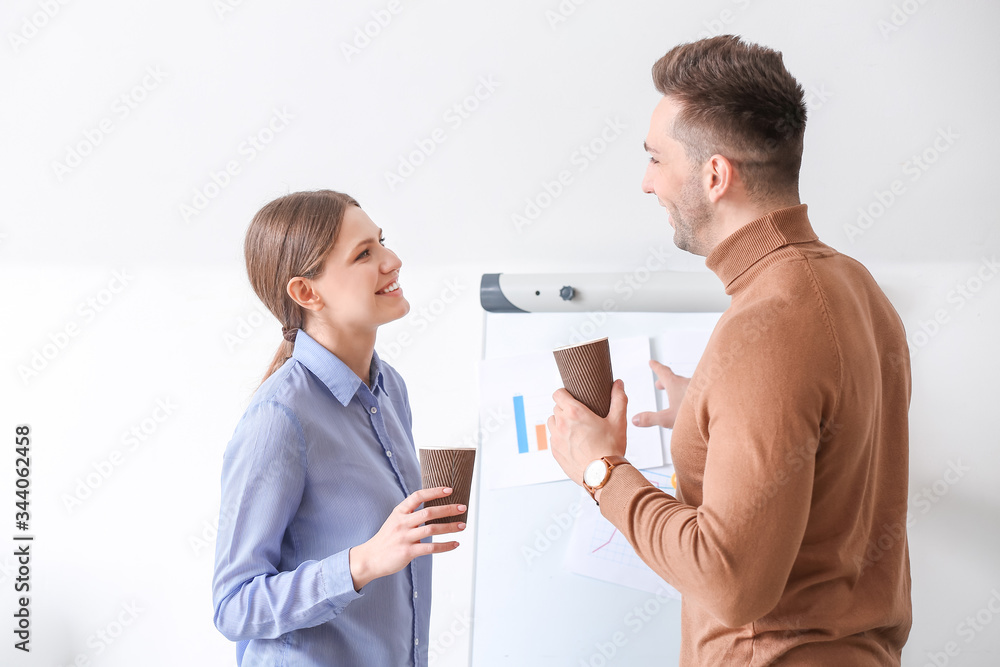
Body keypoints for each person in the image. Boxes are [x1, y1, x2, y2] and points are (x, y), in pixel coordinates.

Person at [549, 36, 912, 665]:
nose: (646, 183)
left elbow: (732, 582)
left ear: (714, 175)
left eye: (656, 159)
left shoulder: (769, 326)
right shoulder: (854, 287)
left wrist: (600, 471)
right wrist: (713, 417)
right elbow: (826, 452)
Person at [212, 190, 466, 666]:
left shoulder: (390, 388)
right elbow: (233, 607)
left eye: (381, 242)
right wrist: (363, 562)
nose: (392, 261)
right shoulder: (280, 416)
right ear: (307, 292)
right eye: (364, 254)